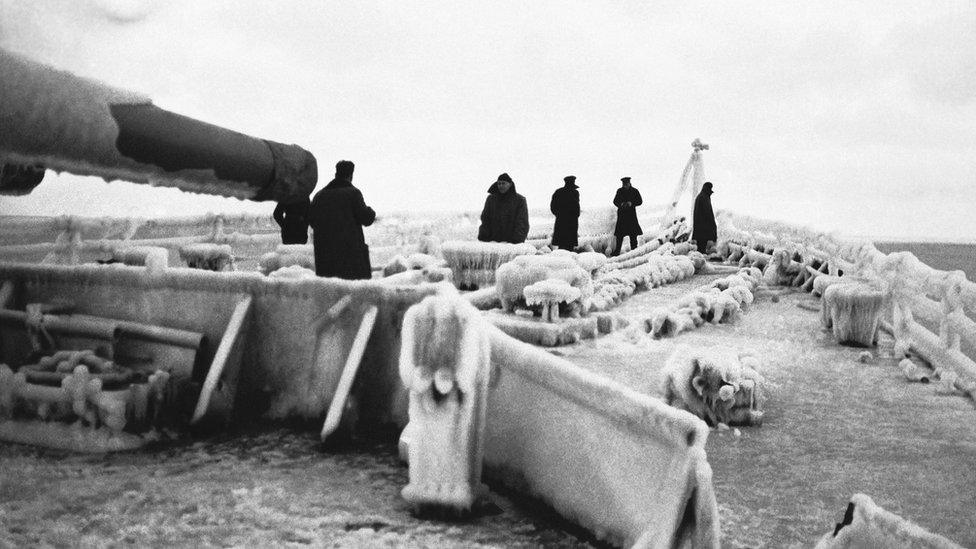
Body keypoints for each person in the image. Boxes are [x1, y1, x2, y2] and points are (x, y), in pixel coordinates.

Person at [307, 160, 376, 279]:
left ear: (336, 174)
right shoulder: (353, 193)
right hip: (349, 257)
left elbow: (312, 221)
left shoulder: (319, 196)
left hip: (325, 257)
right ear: (351, 175)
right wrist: (371, 211)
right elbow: (366, 219)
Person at [477, 172, 529, 244]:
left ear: (510, 184)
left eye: (503, 183)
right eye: (499, 183)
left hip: (511, 243)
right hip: (493, 242)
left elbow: (522, 222)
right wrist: (484, 237)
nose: (501, 185)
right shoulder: (491, 199)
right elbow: (485, 219)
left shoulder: (520, 200)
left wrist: (517, 240)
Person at [612, 176, 642, 256]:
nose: (625, 185)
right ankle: (617, 251)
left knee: (633, 234)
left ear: (629, 183)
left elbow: (640, 201)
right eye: (624, 184)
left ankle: (634, 251)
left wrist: (631, 203)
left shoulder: (635, 191)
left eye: (626, 183)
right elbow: (615, 201)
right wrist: (621, 204)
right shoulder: (619, 191)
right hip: (622, 216)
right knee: (619, 235)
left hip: (631, 216)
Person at [550, 175, 580, 250]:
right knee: (570, 245)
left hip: (561, 222)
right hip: (572, 223)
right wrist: (575, 215)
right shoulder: (575, 192)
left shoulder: (558, 192)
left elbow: (553, 207)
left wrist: (559, 215)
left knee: (561, 244)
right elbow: (576, 208)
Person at [692, 181, 717, 253]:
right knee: (701, 250)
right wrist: (712, 228)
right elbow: (708, 214)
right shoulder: (704, 197)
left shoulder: (701, 196)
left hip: (700, 230)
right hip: (703, 230)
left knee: (700, 249)